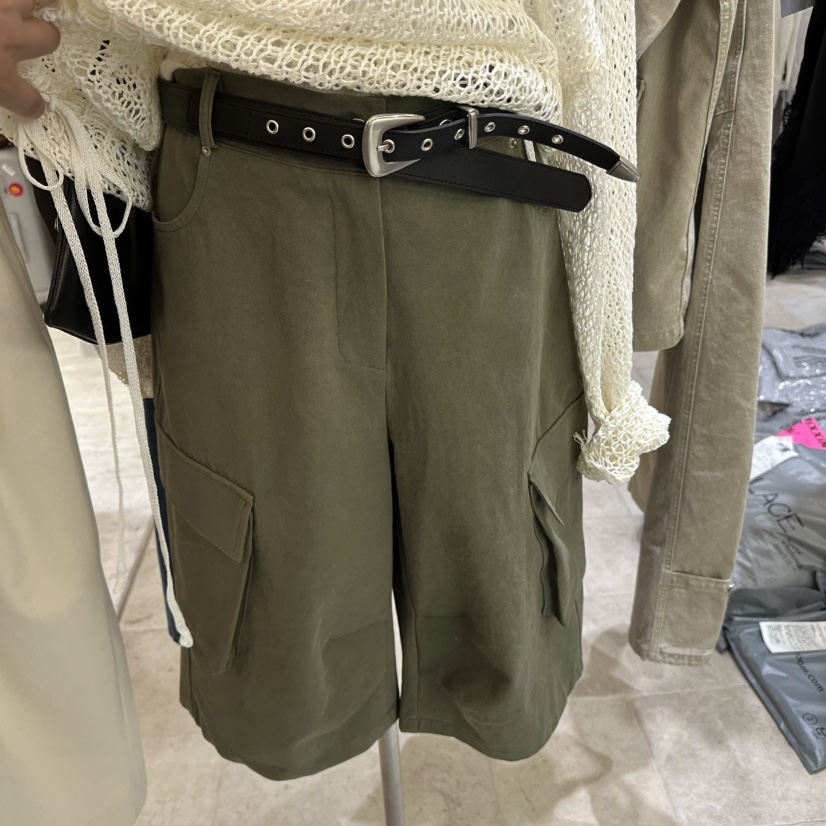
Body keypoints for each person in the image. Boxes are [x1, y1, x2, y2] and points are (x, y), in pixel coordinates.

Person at [0, 0, 669, 786]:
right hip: (240, 177)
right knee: (273, 590)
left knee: (500, 551)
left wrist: (608, 356)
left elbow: (597, 38)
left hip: (488, 179)